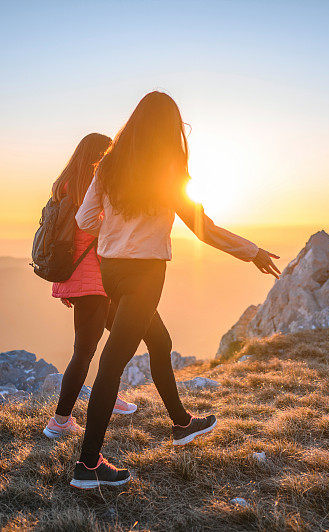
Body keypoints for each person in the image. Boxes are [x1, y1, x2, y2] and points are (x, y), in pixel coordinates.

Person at [69, 91, 280, 489]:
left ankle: (181, 424)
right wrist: (251, 251)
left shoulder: (109, 164)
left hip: (110, 271)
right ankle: (88, 465)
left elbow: (84, 218)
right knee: (113, 363)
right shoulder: (168, 171)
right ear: (170, 129)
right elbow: (205, 228)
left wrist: (113, 238)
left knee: (160, 342)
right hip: (145, 275)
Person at [42, 133, 138, 440]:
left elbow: (62, 241)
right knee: (84, 351)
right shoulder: (90, 190)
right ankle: (60, 420)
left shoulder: (64, 187)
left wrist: (64, 283)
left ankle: (107, 395)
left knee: (122, 335)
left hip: (78, 276)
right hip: (93, 278)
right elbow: (102, 233)